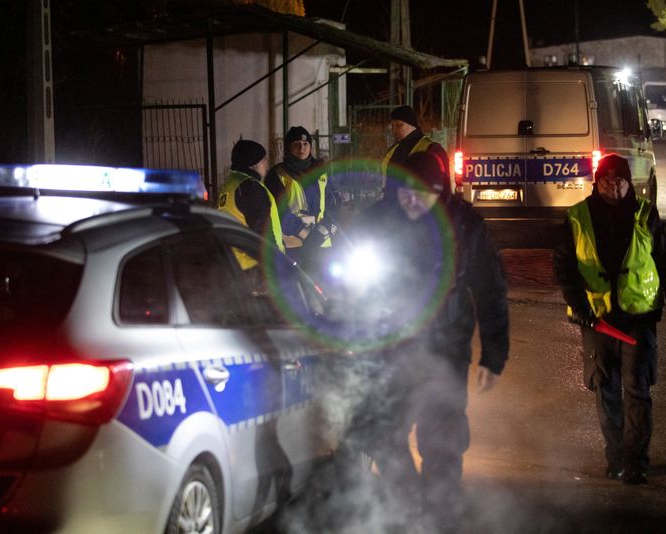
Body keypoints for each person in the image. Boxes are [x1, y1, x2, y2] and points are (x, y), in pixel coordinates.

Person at [340, 150, 509, 531]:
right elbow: (350, 288)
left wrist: (494, 355)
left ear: (440, 193)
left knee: (442, 440)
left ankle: (439, 517)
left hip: (446, 350)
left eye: (423, 194)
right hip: (389, 350)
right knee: (381, 432)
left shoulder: (466, 225)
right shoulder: (375, 223)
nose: (413, 202)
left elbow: (491, 290)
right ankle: (403, 504)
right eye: (405, 193)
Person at [553, 153, 666, 485]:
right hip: (597, 320)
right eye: (606, 182)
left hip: (637, 318)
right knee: (606, 391)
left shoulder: (646, 214)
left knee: (637, 391)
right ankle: (615, 456)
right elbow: (564, 268)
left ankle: (636, 461)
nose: (613, 188)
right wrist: (577, 304)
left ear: (630, 183)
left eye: (619, 182)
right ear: (596, 183)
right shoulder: (577, 217)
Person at [264, 126, 338, 268]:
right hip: (292, 247)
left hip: (322, 244)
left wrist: (326, 229)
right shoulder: (277, 175)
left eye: (305, 144)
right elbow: (278, 211)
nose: (301, 148)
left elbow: (333, 204)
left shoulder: (322, 172)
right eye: (296, 144)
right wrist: (305, 234)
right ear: (287, 148)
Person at [217, 139, 284, 253]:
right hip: (252, 264)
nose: (266, 164)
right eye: (263, 160)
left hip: (233, 260)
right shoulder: (251, 188)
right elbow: (263, 232)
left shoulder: (230, 185)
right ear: (253, 164)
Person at [381, 105, 450, 199]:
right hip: (394, 209)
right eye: (392, 126)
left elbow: (444, 188)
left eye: (399, 125)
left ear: (411, 124)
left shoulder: (432, 149)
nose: (394, 130)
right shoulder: (392, 151)